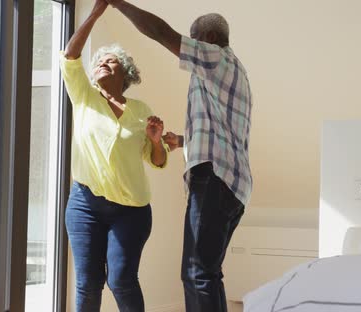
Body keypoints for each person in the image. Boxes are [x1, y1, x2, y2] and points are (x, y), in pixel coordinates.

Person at [105, 1, 253, 311]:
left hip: (214, 179)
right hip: (234, 185)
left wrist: (116, 3)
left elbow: (160, 32)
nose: (191, 44)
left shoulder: (215, 58)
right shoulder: (235, 70)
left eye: (194, 37)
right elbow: (226, 134)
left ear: (209, 36)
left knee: (197, 273)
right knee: (208, 274)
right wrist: (185, 141)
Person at [61, 1, 170, 311]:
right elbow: (70, 57)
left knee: (121, 279)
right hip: (85, 205)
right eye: (99, 61)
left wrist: (156, 141)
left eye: (111, 62)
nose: (102, 64)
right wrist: (95, 13)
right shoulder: (84, 96)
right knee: (88, 283)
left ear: (126, 74)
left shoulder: (141, 111)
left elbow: (157, 160)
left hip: (131, 210)